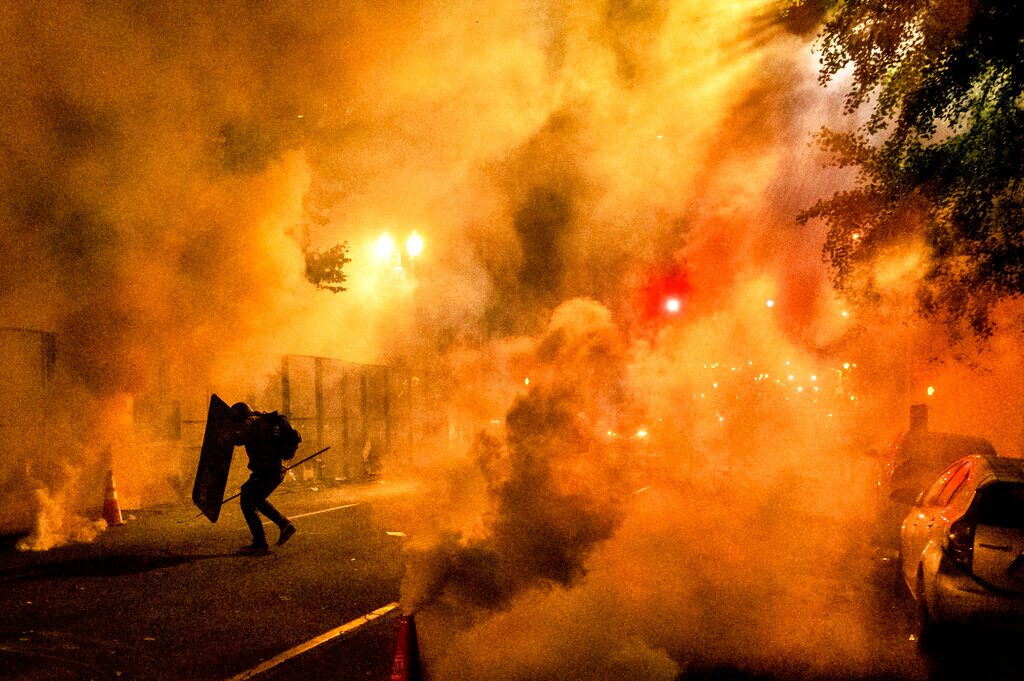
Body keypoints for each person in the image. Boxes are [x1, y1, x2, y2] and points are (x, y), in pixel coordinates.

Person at [224, 402, 298, 554]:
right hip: (274, 470)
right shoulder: (264, 420)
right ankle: (283, 526)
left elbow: (239, 438)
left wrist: (224, 435)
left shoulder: (251, 422)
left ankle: (261, 543)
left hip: (266, 471)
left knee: (247, 500)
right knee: (253, 498)